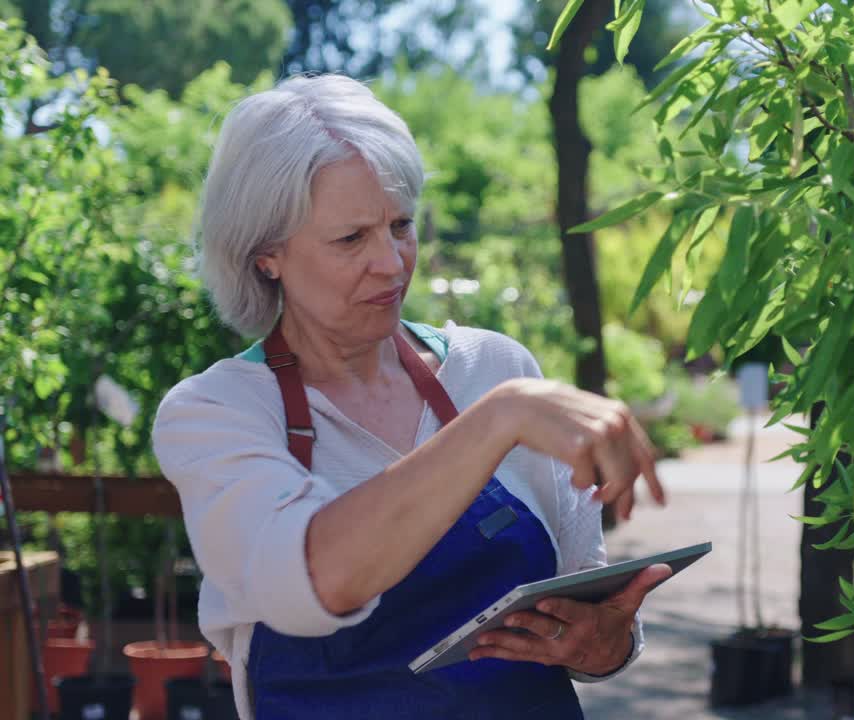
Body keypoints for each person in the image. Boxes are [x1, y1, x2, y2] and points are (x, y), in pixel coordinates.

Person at [152, 74, 669, 719]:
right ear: (266, 256)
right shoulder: (216, 414)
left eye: (401, 225)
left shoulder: (496, 366)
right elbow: (310, 581)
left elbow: (588, 603)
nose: (393, 264)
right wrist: (496, 421)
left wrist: (603, 647)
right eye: (351, 239)